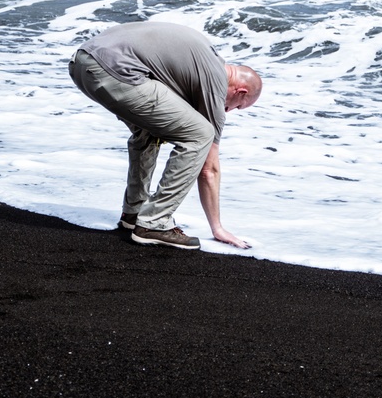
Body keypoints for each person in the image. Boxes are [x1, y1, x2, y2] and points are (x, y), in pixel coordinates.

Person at [68, 21, 262, 250]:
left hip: (82, 63)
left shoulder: (203, 59)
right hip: (114, 70)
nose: (229, 111)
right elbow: (209, 168)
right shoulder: (216, 80)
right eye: (238, 106)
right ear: (241, 91)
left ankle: (134, 213)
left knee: (151, 131)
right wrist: (217, 228)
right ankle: (155, 223)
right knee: (201, 134)